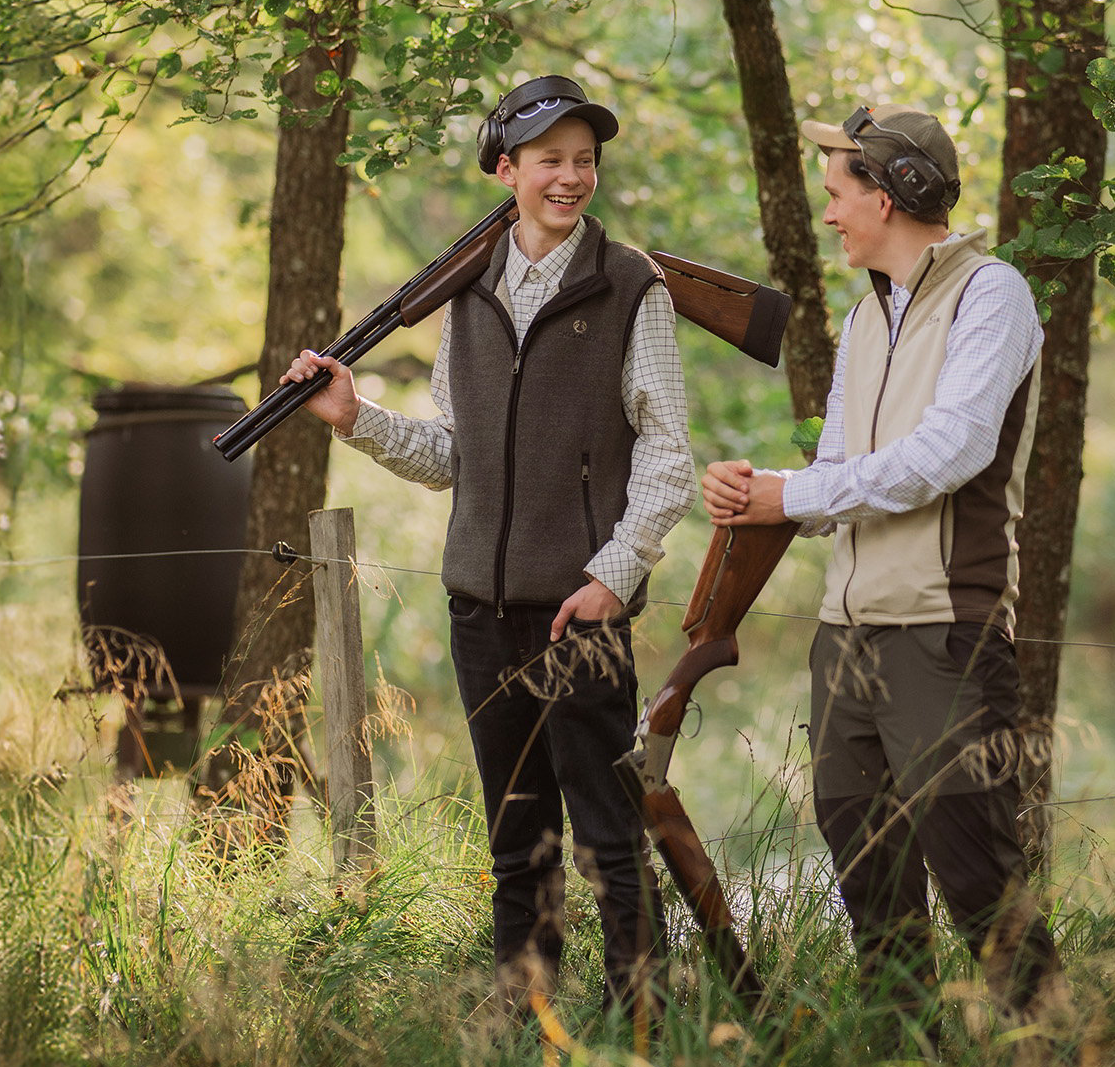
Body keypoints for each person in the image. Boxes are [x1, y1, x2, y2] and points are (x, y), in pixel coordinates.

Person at [281, 75, 689, 1026]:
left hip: (579, 612)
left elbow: (669, 457)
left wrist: (612, 577)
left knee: (608, 844)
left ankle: (654, 1033)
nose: (573, 178)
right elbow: (453, 455)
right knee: (519, 846)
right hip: (480, 613)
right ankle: (527, 1029)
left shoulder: (633, 286)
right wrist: (355, 419)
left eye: (585, 159)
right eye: (551, 160)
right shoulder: (467, 296)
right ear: (507, 169)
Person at [702, 102, 1066, 1052]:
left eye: (839, 195)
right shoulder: (867, 318)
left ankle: (1057, 1044)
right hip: (847, 637)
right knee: (870, 876)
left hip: (944, 630)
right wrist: (762, 489)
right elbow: (831, 481)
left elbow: (951, 449)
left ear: (892, 194)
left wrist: (797, 492)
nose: (829, 215)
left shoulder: (993, 296)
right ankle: (902, 1046)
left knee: (980, 878)